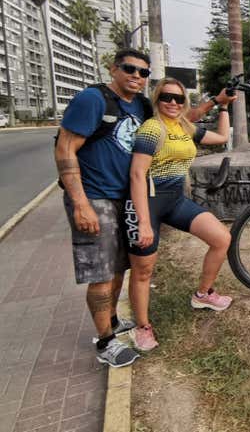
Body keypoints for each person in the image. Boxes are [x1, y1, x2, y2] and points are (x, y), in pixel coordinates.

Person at [55, 49, 235, 368]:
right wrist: (80, 203)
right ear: (113, 69)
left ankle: (111, 321)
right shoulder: (93, 100)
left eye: (143, 72)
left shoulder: (140, 105)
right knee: (103, 274)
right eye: (130, 69)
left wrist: (218, 103)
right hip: (95, 196)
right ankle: (106, 342)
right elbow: (66, 147)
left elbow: (180, 120)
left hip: (125, 195)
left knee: (120, 269)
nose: (137, 76)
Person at [126, 77, 236, 352]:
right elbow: (138, 174)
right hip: (148, 201)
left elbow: (222, 138)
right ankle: (141, 327)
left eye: (178, 98)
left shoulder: (184, 127)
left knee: (221, 238)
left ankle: (203, 294)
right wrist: (143, 222)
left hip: (175, 200)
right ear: (157, 100)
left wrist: (222, 106)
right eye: (166, 97)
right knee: (143, 270)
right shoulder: (152, 129)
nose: (173, 103)